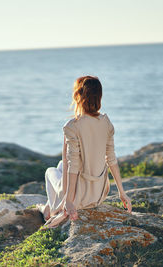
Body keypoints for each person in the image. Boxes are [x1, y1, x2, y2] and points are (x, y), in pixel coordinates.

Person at [36, 75, 132, 230]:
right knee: (61, 164)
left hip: (79, 197)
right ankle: (50, 206)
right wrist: (122, 192)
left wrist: (69, 202)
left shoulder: (72, 126)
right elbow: (111, 159)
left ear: (77, 96)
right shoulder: (106, 122)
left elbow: (73, 165)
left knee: (50, 171)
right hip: (98, 194)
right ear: (99, 97)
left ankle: (49, 209)